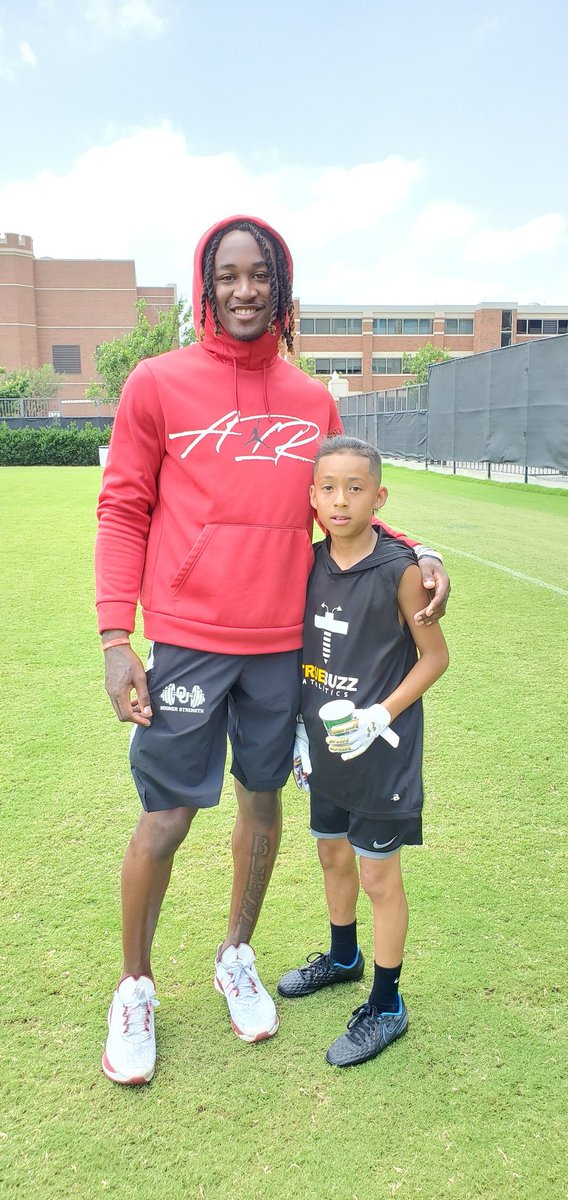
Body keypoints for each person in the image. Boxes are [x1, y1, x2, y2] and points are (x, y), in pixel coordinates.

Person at [95, 215, 450, 1086]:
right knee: (168, 816)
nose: (245, 290)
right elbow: (122, 506)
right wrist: (115, 635)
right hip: (186, 642)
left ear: (281, 285)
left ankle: (236, 956)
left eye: (261, 275)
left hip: (281, 650)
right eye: (228, 276)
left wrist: (415, 549)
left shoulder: (311, 400)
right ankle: (135, 987)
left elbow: (337, 508)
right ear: (205, 286)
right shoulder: (157, 382)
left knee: (263, 807)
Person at [278, 435, 449, 1068]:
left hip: (380, 751)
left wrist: (381, 714)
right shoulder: (306, 563)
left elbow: (436, 657)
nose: (340, 500)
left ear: (379, 497)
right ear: (312, 497)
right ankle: (344, 956)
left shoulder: (401, 571)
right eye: (328, 487)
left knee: (379, 873)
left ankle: (387, 1004)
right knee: (330, 854)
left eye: (356, 488)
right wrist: (301, 730)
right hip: (325, 746)